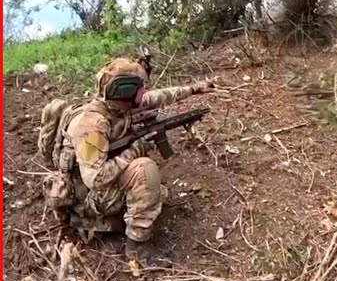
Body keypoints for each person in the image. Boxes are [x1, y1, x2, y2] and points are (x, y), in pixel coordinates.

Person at [38, 52, 216, 263]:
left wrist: (195, 89)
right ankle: (137, 248)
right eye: (140, 87)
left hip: (96, 183)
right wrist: (135, 149)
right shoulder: (92, 125)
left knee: (149, 180)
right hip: (86, 198)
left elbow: (159, 96)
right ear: (125, 91)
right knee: (144, 170)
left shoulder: (118, 104)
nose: (145, 91)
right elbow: (96, 179)